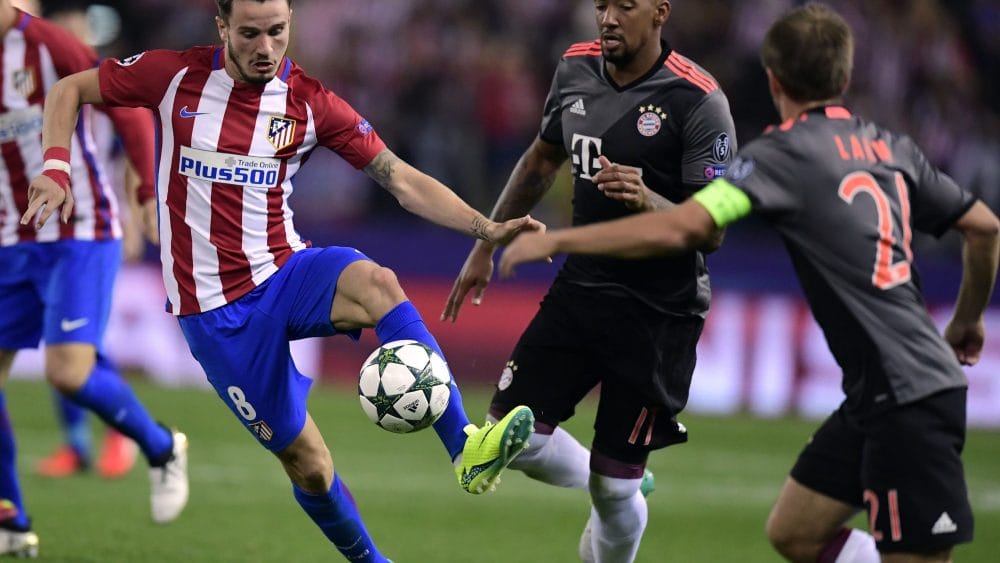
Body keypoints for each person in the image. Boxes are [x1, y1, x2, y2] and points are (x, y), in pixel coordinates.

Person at [22, 1, 538, 561]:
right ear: (222, 28)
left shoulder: (309, 102)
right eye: (248, 34)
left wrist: (485, 228)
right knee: (311, 468)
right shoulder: (174, 76)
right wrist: (55, 165)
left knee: (378, 283)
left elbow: (401, 179)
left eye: (276, 32)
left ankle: (466, 448)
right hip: (216, 316)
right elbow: (69, 88)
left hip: (285, 271)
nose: (264, 48)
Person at [498, 4, 1000, 562]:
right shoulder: (890, 145)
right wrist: (967, 318)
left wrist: (560, 240)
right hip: (878, 392)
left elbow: (689, 225)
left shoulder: (778, 157)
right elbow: (983, 227)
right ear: (845, 77)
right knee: (794, 532)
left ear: (773, 79)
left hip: (910, 398)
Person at [442, 1, 736, 561]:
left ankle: (624, 490)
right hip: (582, 289)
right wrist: (486, 242)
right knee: (508, 441)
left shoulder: (699, 100)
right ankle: (613, 479)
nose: (607, 17)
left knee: (614, 489)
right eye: (601, 4)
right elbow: (539, 161)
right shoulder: (574, 67)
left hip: (660, 313)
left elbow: (714, 230)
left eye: (625, 6)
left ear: (659, 13)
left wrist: (649, 198)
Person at [0, 0, 190, 556]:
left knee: (67, 373)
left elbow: (127, 109)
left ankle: (160, 447)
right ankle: (12, 523)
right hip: (11, 237)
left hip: (81, 229)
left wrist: (144, 191)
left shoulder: (47, 44)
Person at [10, 0, 139, 482]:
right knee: (58, 337)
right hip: (38, 224)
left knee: (80, 341)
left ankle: (118, 433)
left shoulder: (102, 87)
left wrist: (132, 213)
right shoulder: (35, 85)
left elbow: (129, 153)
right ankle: (78, 444)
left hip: (93, 226)